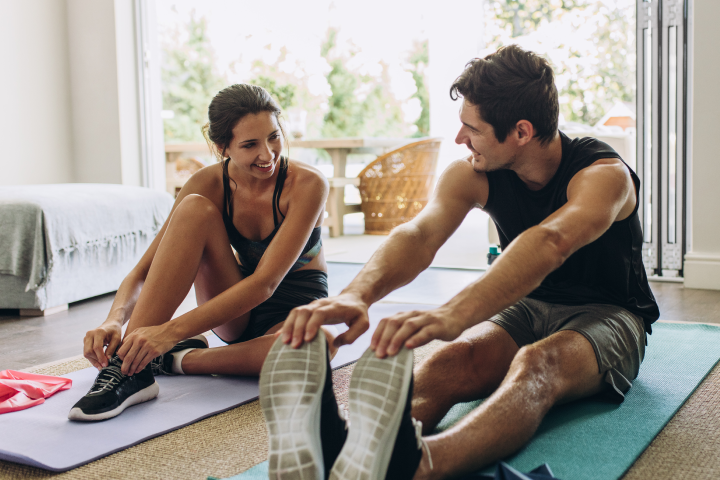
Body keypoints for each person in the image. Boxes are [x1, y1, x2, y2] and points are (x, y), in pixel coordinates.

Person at [262, 44, 660, 480]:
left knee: (537, 366)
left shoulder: (604, 176)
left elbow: (551, 242)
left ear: (521, 132)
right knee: (451, 361)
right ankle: (350, 450)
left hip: (610, 314)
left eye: (472, 128)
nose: (459, 139)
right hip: (528, 305)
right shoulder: (473, 173)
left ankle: (415, 466)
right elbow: (420, 234)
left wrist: (454, 312)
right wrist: (358, 295)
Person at [70, 84, 333, 422]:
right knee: (194, 209)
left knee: (316, 348)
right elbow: (143, 271)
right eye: (250, 145)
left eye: (274, 137)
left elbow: (266, 284)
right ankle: (128, 369)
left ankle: (172, 360)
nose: (267, 154)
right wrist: (114, 319)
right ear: (221, 147)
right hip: (233, 305)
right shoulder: (207, 183)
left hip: (294, 309)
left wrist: (168, 335)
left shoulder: (308, 184)